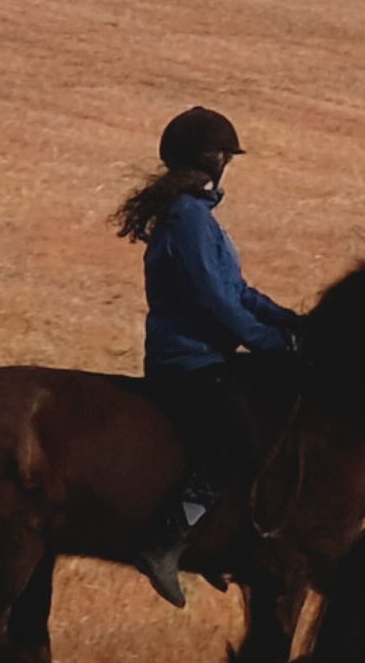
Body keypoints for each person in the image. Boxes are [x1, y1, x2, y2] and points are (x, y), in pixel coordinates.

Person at [118, 104, 304, 605]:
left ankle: (222, 538)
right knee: (240, 443)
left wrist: (290, 321)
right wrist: (269, 343)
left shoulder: (197, 216)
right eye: (225, 153)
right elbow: (214, 300)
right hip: (189, 361)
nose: (228, 162)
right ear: (212, 158)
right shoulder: (188, 220)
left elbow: (238, 291)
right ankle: (164, 541)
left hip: (208, 355)